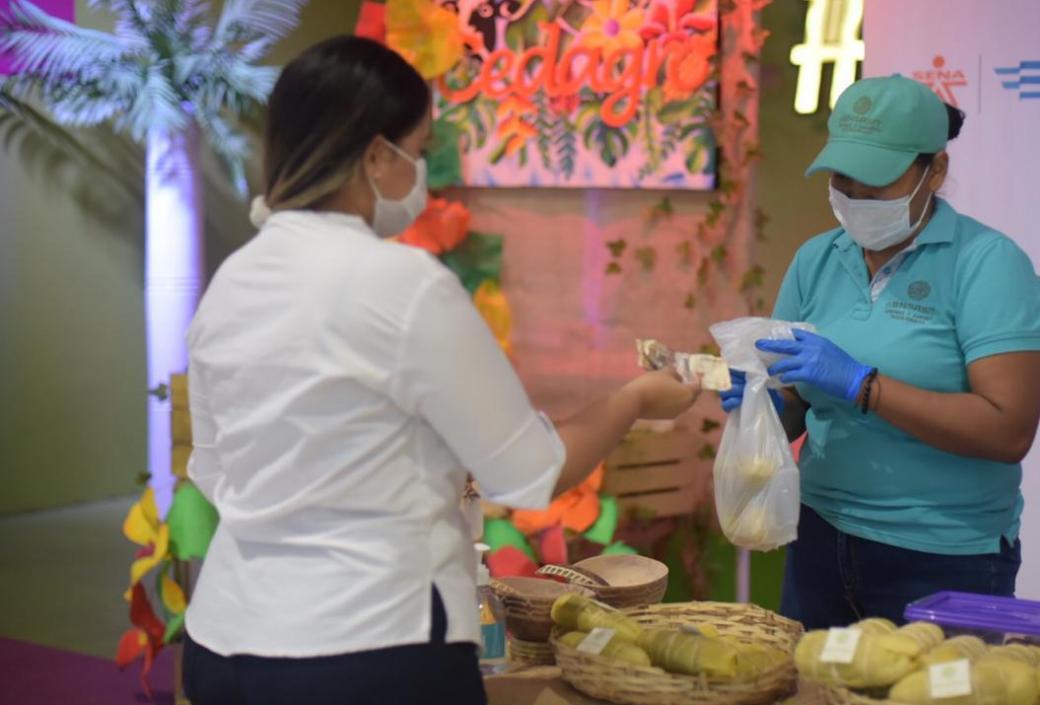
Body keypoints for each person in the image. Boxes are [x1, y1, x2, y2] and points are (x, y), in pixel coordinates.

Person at [180, 36, 700, 705]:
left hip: (224, 644)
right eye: (418, 151)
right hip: (368, 648)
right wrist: (633, 399)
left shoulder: (231, 280)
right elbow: (532, 471)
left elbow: (217, 471)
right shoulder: (403, 283)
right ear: (374, 155)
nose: (422, 172)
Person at [721, 76, 1040, 628]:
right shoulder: (816, 259)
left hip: (943, 557)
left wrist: (863, 385)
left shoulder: (988, 264)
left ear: (935, 171)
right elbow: (797, 400)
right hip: (820, 538)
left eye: (876, 181)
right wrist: (764, 408)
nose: (854, 196)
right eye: (842, 177)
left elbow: (1008, 431)